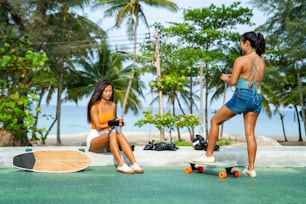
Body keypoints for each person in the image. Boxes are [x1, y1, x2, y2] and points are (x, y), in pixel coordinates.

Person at [194, 31, 266, 178]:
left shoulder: (241, 59)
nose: (239, 45)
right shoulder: (261, 62)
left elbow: (233, 82)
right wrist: (236, 75)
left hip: (242, 96)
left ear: (247, 43)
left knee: (215, 121)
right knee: (250, 133)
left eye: (241, 42)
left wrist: (225, 78)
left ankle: (209, 155)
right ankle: (251, 168)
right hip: (257, 97)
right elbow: (250, 78)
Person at [86, 79, 144, 174]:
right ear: (100, 92)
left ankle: (134, 163)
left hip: (109, 139)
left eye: (110, 91)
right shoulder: (94, 107)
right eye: (106, 91)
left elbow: (113, 123)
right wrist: (113, 123)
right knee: (113, 133)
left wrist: (120, 123)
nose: (109, 93)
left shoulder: (113, 105)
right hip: (95, 141)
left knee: (118, 133)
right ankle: (121, 164)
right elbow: (98, 127)